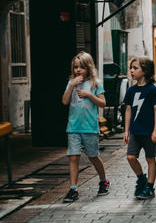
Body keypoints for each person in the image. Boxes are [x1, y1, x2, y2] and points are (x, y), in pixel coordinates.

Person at [61, 51, 110, 202]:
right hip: (73, 127)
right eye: (75, 67)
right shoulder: (71, 83)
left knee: (93, 156)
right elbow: (64, 101)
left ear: (88, 68)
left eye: (81, 67)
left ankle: (103, 180)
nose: (77, 70)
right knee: (73, 157)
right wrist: (71, 86)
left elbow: (103, 103)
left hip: (89, 127)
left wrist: (89, 95)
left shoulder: (95, 83)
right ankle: (73, 188)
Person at [123, 57, 156, 199]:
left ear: (144, 71)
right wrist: (126, 130)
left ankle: (150, 187)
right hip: (135, 131)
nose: (131, 71)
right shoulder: (131, 90)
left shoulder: (152, 89)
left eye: (135, 68)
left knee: (150, 158)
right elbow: (128, 110)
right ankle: (141, 178)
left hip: (149, 131)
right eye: (131, 68)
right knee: (130, 157)